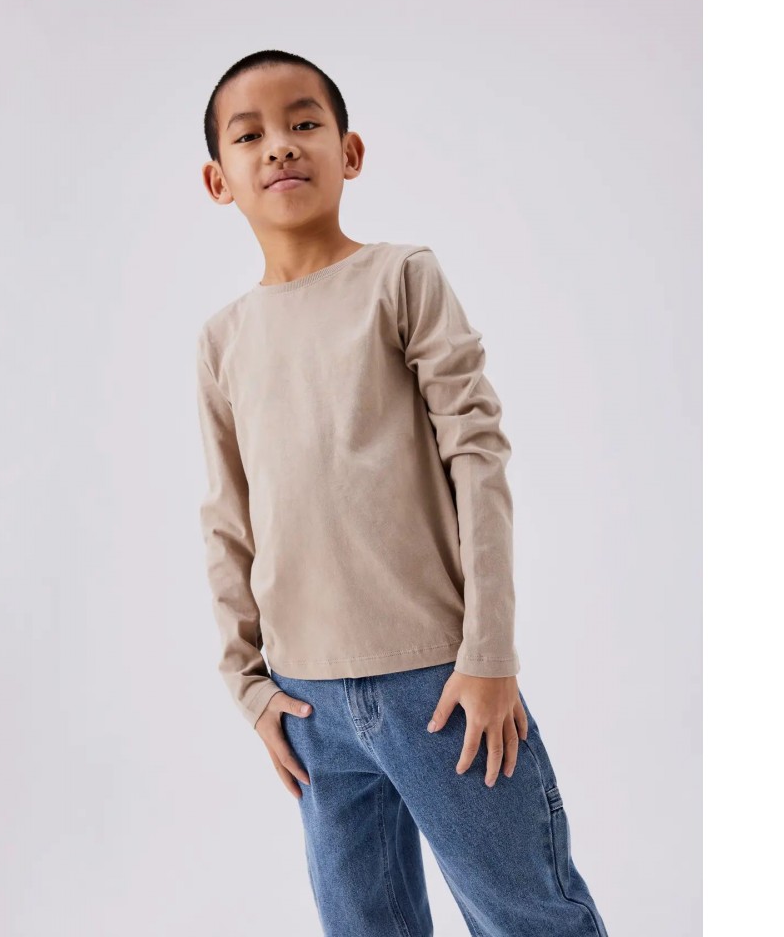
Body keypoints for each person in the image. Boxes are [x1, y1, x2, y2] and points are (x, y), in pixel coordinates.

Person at [194, 48, 610, 937]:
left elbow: (477, 456)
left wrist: (488, 653)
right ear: (217, 179)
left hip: (442, 684)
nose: (280, 146)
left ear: (349, 153)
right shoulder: (223, 340)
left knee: (528, 916)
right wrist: (249, 685)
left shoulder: (400, 278)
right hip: (307, 702)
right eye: (250, 135)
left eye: (304, 123)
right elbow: (228, 518)